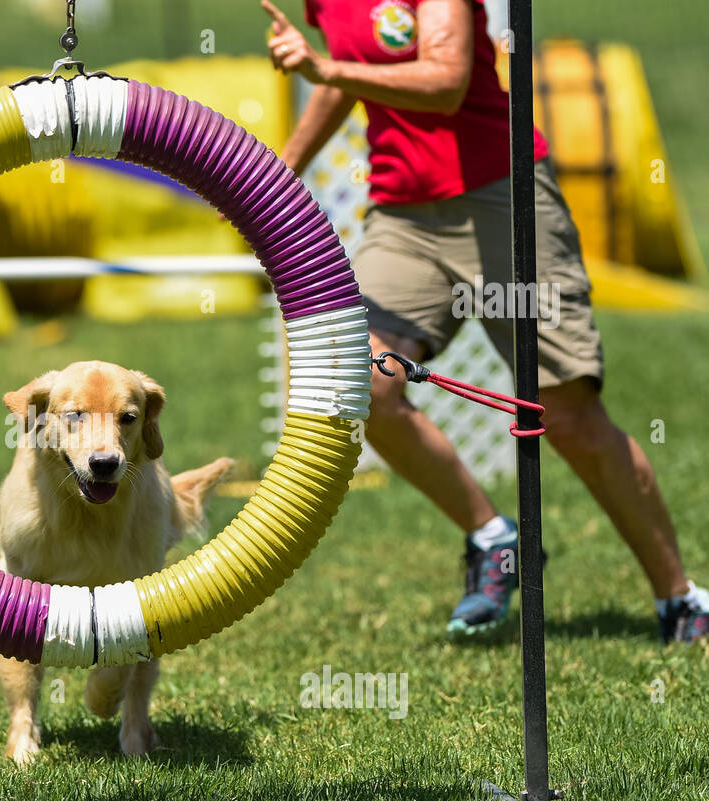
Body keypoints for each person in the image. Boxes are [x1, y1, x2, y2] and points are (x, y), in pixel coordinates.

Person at [260, 0, 707, 641]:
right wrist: (283, 168)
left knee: (570, 416)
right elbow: (349, 74)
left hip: (502, 196)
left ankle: (680, 599)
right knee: (359, 383)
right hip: (404, 218)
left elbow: (443, 83)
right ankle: (494, 538)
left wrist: (325, 69)